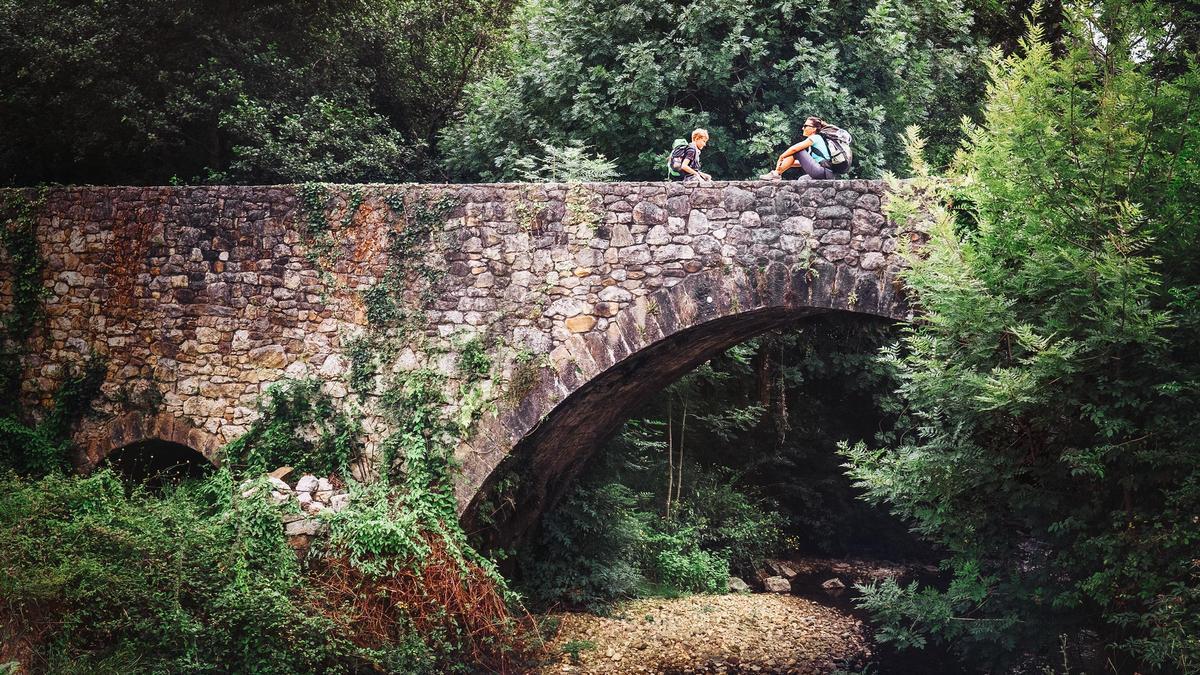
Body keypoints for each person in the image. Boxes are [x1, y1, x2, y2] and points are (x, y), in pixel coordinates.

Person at [760, 117, 835, 180]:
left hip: (822, 171)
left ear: (814, 129)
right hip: (826, 173)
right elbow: (802, 163)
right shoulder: (817, 141)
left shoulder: (815, 137)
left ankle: (776, 174)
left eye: (805, 126)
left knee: (798, 151)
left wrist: (782, 157)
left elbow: (794, 149)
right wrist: (787, 164)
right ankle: (776, 173)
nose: (803, 128)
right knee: (802, 179)